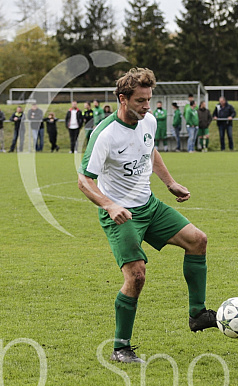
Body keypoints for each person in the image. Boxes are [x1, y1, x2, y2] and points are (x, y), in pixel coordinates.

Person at [77, 67, 214, 364]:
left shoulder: (148, 121)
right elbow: (84, 181)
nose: (147, 106)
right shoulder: (104, 135)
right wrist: (110, 205)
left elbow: (150, 152)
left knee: (198, 240)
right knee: (137, 275)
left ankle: (198, 314)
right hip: (121, 215)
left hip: (150, 206)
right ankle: (120, 347)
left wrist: (170, 183)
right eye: (141, 100)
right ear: (123, 99)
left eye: (149, 99)